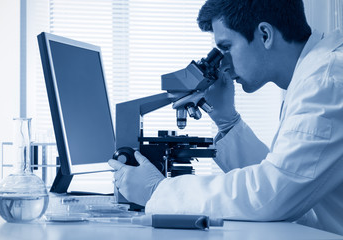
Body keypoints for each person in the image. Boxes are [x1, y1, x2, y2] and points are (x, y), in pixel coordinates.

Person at [108, 0, 343, 235]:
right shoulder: (314, 73)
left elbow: (273, 193)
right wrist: (226, 119)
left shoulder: (325, 82)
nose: (224, 65)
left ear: (264, 34)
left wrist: (157, 191)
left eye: (227, 47)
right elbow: (290, 180)